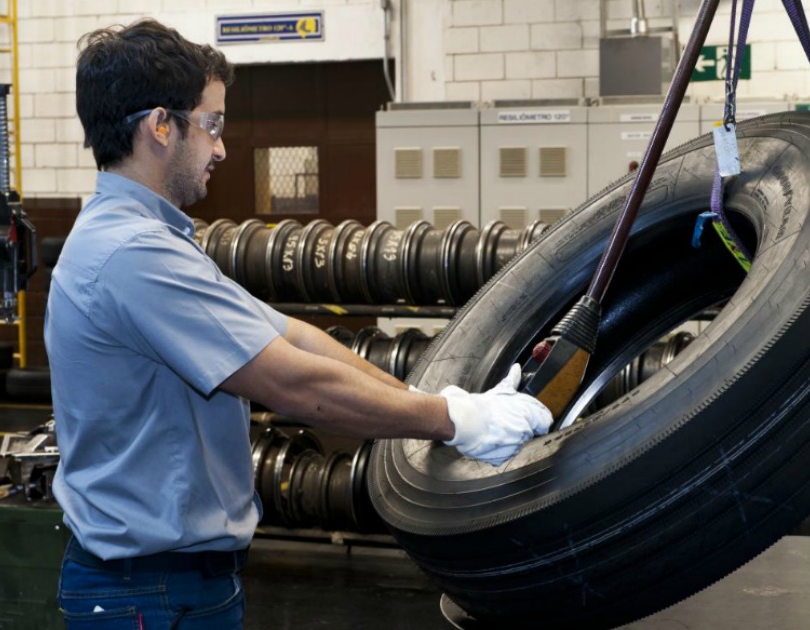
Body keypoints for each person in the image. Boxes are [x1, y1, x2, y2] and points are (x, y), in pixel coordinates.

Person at [47, 19, 552, 629]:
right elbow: (297, 386)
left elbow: (293, 335)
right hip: (150, 594)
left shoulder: (147, 242)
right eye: (212, 125)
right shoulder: (134, 257)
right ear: (160, 126)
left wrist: (428, 400)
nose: (222, 147)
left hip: (174, 585)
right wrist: (453, 423)